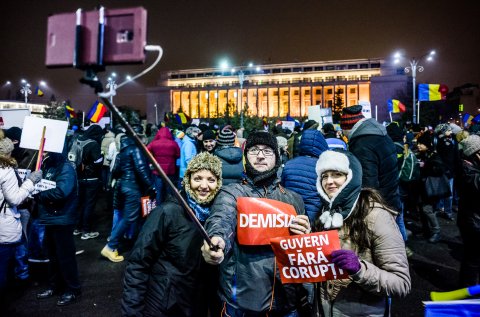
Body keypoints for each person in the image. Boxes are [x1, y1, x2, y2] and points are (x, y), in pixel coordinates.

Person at [201, 131, 311, 316]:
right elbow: (221, 219)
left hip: (286, 301)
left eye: (267, 151)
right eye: (254, 150)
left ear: (277, 157)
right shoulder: (232, 193)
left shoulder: (294, 200)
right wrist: (217, 240)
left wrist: (306, 236)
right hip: (242, 302)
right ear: (245, 157)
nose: (260, 155)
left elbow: (304, 252)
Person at [122, 152, 223, 316]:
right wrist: (132, 311)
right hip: (163, 305)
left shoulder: (216, 217)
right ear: (188, 180)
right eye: (198, 178)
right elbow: (138, 264)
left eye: (211, 180)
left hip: (195, 305)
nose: (204, 186)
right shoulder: (167, 212)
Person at [313, 150, 411, 316]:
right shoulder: (323, 214)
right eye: (324, 176)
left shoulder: (375, 215)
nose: (329, 181)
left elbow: (401, 283)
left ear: (352, 177)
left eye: (337, 174)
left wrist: (360, 269)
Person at [34, 149, 81, 306]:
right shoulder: (48, 164)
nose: (44, 151)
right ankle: (55, 286)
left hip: (62, 218)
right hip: (51, 217)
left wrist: (38, 194)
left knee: (65, 257)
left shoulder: (66, 167)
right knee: (52, 256)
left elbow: (61, 192)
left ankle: (72, 289)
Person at [340, 105, 402, 220]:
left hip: (380, 206)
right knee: (397, 234)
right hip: (392, 198)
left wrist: (364, 210)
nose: (344, 135)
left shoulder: (361, 145)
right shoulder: (382, 135)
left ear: (348, 128)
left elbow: (368, 183)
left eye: (343, 130)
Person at [101, 130, 155, 263]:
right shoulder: (136, 149)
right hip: (133, 187)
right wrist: (151, 186)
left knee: (125, 216)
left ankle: (115, 243)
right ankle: (110, 246)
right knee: (129, 217)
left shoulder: (123, 151)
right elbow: (141, 169)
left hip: (123, 186)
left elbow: (116, 170)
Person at [0, 130, 42, 296]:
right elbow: (15, 199)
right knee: (3, 267)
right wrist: (30, 182)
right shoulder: (5, 170)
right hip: (4, 225)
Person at [282, 129, 329, 224]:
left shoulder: (289, 164)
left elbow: (282, 188)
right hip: (315, 214)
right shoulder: (323, 166)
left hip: (292, 213)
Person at [457, 135, 480, 287]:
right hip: (473, 222)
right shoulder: (467, 169)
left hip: (474, 219)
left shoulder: (473, 166)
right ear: (475, 153)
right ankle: (467, 293)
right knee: (473, 260)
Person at [74, 124, 104, 240]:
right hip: (91, 179)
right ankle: (86, 232)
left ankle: (77, 228)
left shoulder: (78, 140)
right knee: (89, 204)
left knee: (80, 203)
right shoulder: (93, 144)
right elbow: (97, 161)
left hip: (79, 177)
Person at [416, 131, 445, 243]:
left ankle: (436, 232)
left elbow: (440, 170)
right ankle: (426, 231)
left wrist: (425, 166)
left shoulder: (435, 156)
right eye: (418, 143)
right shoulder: (422, 154)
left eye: (421, 144)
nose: (418, 145)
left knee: (427, 210)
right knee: (422, 211)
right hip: (421, 188)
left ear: (428, 145)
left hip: (430, 189)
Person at [147, 127, 180, 203]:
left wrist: (152, 159)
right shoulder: (173, 143)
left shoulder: (154, 143)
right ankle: (169, 206)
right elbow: (178, 155)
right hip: (170, 171)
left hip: (158, 171)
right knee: (169, 191)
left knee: (159, 191)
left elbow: (147, 151)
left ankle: (159, 208)